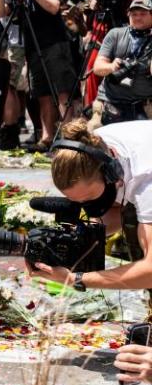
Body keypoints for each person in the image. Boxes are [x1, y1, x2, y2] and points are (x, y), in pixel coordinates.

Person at [28, 119, 152, 292]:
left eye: (89, 199)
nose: (87, 208)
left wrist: (76, 279)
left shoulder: (145, 181)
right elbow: (116, 211)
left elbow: (150, 271)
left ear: (112, 174)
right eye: (77, 202)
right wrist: (71, 241)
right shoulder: (88, 146)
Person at [0, 0, 76, 150]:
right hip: (32, 48)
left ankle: (69, 138)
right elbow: (0, 13)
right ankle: (47, 138)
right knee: (43, 94)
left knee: (62, 92)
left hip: (54, 44)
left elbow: (54, 8)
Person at [90, 0, 152, 127]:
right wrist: (112, 66)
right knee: (96, 135)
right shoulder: (115, 34)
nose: (138, 18)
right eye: (134, 14)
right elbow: (97, 67)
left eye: (143, 14)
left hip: (144, 105)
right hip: (110, 103)